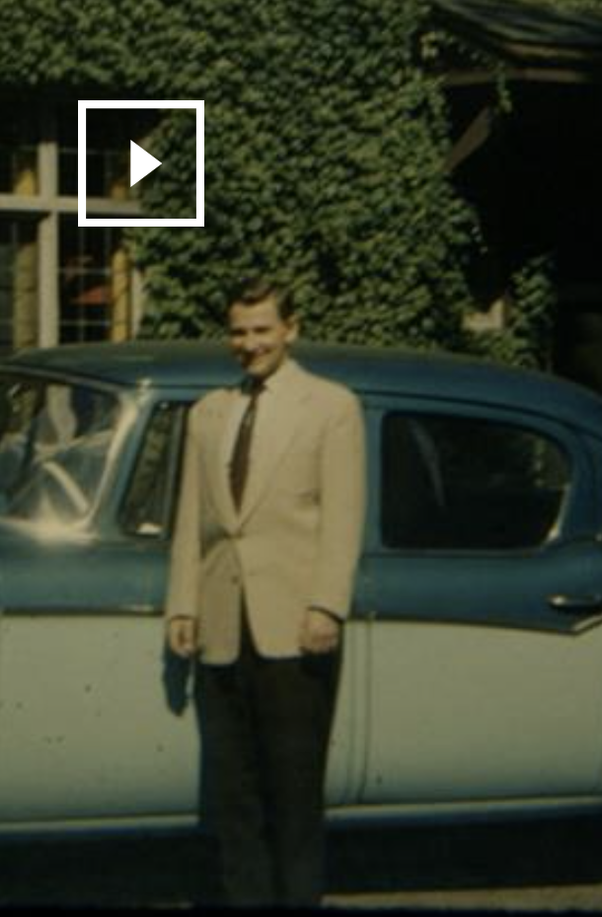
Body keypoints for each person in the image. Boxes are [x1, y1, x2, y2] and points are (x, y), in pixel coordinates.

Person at [164, 280, 365, 906]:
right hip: (222, 625)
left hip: (296, 627)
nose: (249, 344)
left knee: (294, 795)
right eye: (239, 332)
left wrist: (326, 604)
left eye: (261, 330)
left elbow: (343, 516)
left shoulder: (330, 407)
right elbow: (191, 519)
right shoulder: (208, 413)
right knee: (234, 796)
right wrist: (183, 604)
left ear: (290, 330)